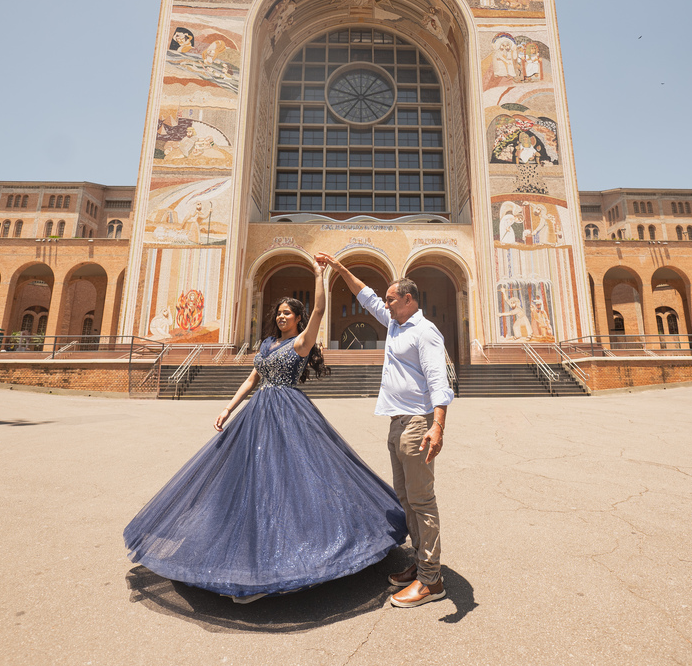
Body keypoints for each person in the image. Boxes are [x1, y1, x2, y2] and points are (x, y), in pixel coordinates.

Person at [124, 260, 407, 603]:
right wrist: (228, 408)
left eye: (288, 313)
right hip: (256, 413)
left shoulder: (303, 342)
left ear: (298, 319)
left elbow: (320, 307)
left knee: (289, 483)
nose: (281, 317)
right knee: (249, 483)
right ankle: (243, 558)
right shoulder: (266, 345)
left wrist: (319, 275)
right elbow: (251, 378)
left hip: (289, 415)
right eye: (279, 313)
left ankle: (288, 560)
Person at [314, 252, 453, 608]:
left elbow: (439, 381)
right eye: (386, 300)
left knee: (422, 501)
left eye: (391, 299)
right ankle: (421, 563)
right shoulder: (395, 324)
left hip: (418, 422)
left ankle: (431, 581)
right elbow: (365, 295)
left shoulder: (425, 332)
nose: (385, 304)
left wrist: (437, 426)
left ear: (408, 299)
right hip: (397, 421)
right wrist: (339, 267)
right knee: (405, 498)